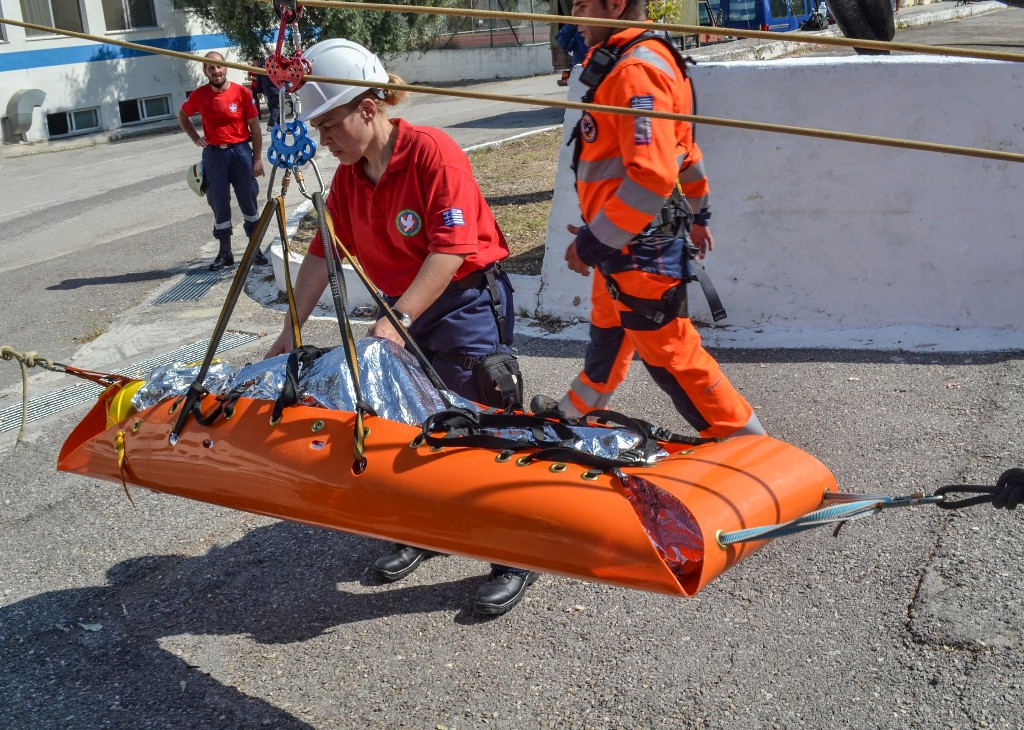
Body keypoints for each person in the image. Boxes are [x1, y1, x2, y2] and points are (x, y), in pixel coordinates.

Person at [264, 39, 537, 617]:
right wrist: (291, 329)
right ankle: (425, 527)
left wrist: (398, 319)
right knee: (406, 424)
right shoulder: (350, 177)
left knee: (477, 424)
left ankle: (515, 550)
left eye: (330, 124)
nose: (324, 140)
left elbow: (450, 249)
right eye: (318, 128)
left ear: (368, 109)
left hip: (462, 303)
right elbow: (322, 254)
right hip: (404, 306)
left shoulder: (433, 154)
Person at [532, 0, 765, 440]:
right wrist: (700, 215)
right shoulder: (648, 58)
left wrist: (591, 244)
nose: (574, 20)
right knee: (609, 333)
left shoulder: (635, 71)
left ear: (616, 5)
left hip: (633, 247)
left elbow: (651, 177)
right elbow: (686, 154)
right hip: (622, 240)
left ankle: (749, 445)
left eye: (582, 5)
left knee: (671, 359)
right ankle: (576, 413)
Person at [178, 52, 269, 271]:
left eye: (219, 67)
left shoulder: (242, 93)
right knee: (218, 202)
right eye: (211, 68)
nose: (216, 71)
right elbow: (182, 115)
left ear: (226, 68)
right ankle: (225, 252)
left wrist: (257, 158)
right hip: (214, 155)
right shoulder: (199, 95)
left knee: (248, 200)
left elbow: (255, 128)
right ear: (205, 72)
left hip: (240, 152)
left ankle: (254, 249)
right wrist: (195, 138)